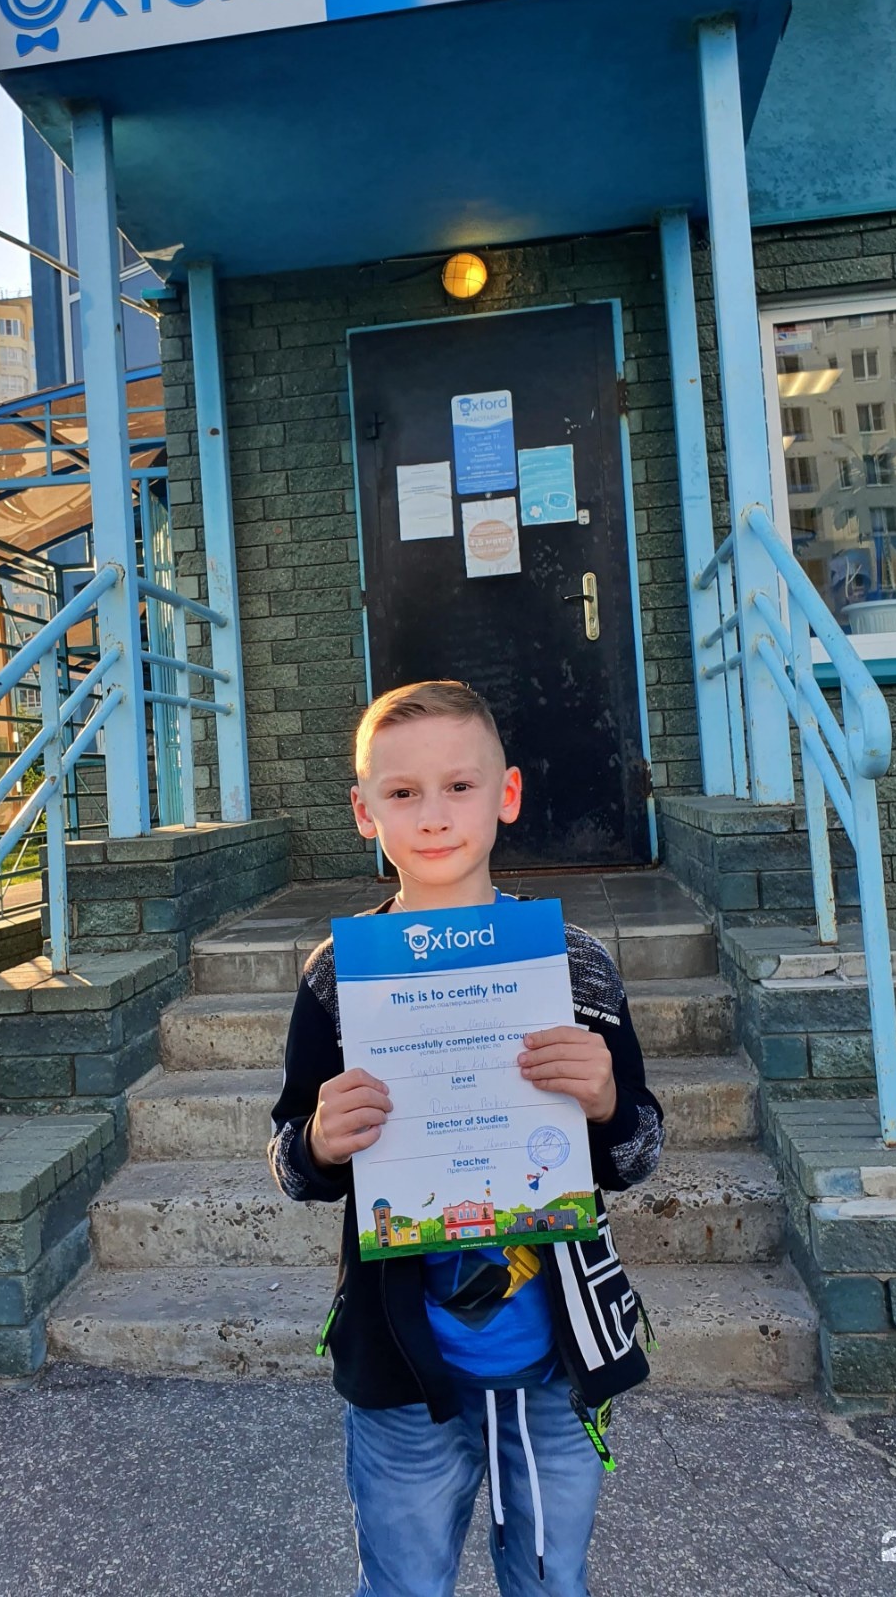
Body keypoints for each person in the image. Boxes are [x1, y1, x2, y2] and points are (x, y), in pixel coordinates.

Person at [268, 680, 666, 1597]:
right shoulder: (338, 980)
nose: (435, 815)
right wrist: (321, 1142)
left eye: (460, 786)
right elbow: (292, 1159)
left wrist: (607, 1102)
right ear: (364, 812)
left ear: (507, 794)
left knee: (551, 1582)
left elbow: (640, 1151)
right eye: (403, 793)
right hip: (403, 1371)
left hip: (557, 1362)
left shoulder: (573, 965)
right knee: (405, 1584)